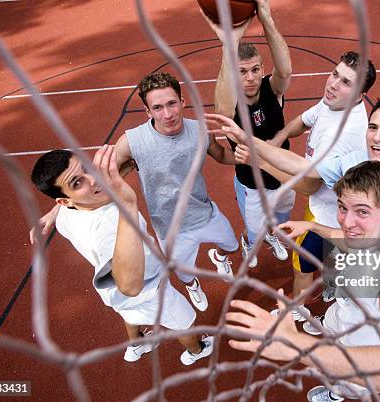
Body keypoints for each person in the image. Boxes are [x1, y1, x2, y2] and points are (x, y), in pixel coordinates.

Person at [31, 72, 240, 312]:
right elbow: (93, 180)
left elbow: (222, 155)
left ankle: (219, 257)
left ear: (183, 102)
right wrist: (54, 211)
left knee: (231, 245)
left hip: (205, 212)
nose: (168, 114)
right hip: (169, 228)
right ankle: (193, 286)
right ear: (148, 111)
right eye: (158, 107)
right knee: (185, 273)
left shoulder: (200, 130)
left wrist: (254, 156)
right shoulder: (133, 141)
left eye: (172, 103)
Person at [226, 161, 380, 401]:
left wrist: (295, 344)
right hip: (348, 315)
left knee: (343, 382)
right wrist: (311, 225)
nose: (346, 222)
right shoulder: (370, 233)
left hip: (365, 349)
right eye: (343, 207)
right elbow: (345, 237)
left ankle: (336, 395)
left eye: (362, 211)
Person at [207, 51, 377, 320]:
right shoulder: (333, 104)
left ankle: (296, 311)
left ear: (358, 96)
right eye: (335, 74)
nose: (333, 84)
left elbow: (308, 186)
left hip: (332, 214)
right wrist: (279, 137)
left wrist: (259, 159)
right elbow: (304, 120)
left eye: (346, 82)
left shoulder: (343, 134)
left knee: (301, 265)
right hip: (334, 206)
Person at [211, 97, 380, 273]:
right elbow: (301, 167)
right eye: (373, 127)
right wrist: (247, 138)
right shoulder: (354, 161)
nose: (377, 137)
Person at [30, 146, 214, 365]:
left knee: (130, 315)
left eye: (86, 168)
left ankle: (137, 345)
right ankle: (197, 350)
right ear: (65, 200)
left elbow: (85, 196)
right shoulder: (111, 222)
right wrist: (129, 203)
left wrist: (53, 212)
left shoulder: (65, 215)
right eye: (77, 183)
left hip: (113, 295)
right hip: (150, 288)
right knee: (185, 323)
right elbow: (129, 285)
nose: (94, 179)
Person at [203, 0, 293, 269]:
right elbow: (221, 109)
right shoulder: (231, 104)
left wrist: (266, 19)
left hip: (284, 177)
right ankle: (249, 242)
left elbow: (285, 71)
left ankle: (270, 236)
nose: (250, 77)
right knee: (254, 232)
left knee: (279, 221)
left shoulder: (272, 90)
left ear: (263, 70)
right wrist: (228, 47)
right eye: (241, 71)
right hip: (253, 186)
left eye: (255, 69)